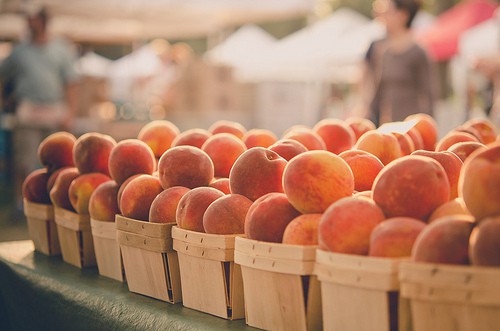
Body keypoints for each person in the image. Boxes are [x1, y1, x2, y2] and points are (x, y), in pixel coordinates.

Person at [0, 6, 79, 210]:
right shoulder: (19, 51)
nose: (29, 24)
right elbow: (3, 75)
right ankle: (23, 202)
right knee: (24, 160)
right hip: (28, 111)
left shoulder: (60, 49)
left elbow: (70, 83)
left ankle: (55, 197)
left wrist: (70, 111)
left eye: (33, 19)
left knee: (59, 159)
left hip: (54, 110)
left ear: (43, 21)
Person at [361, 0, 437, 126]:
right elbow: (377, 92)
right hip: (387, 126)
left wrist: (426, 126)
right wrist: (366, 116)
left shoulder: (418, 52)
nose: (382, 16)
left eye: (388, 12)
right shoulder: (382, 50)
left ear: (402, 15)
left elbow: (429, 95)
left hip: (412, 127)